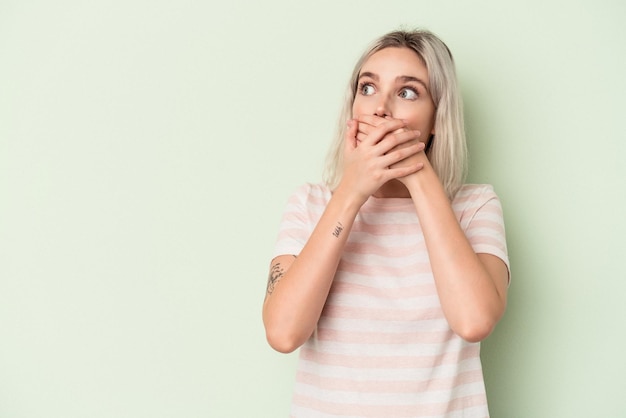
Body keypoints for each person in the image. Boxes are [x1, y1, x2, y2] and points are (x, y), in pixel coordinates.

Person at [263, 29, 510, 418]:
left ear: (436, 120)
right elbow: (283, 332)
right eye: (368, 88)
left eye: (407, 92)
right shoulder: (310, 205)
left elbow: (474, 319)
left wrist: (418, 173)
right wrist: (351, 192)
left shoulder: (474, 207)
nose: (380, 109)